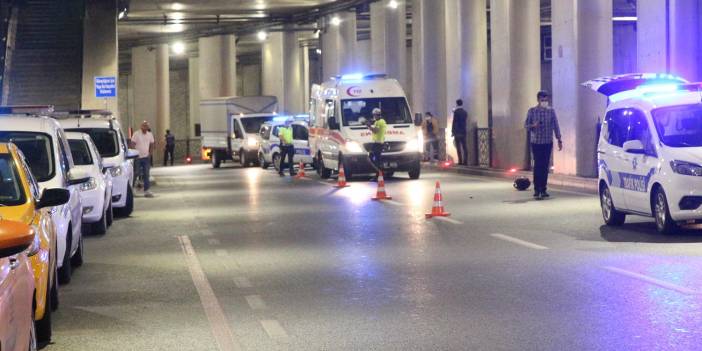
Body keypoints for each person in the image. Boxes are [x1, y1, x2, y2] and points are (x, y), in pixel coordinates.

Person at [525, 90, 563, 200]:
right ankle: (537, 189)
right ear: (538, 100)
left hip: (547, 142)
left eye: (546, 100)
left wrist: (559, 139)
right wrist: (533, 125)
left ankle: (543, 189)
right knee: (538, 166)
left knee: (545, 166)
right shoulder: (532, 111)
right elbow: (526, 125)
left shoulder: (551, 111)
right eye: (542, 100)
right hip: (536, 142)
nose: (544, 102)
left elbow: (556, 125)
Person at [131, 121, 155, 198]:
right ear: (141, 126)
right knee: (136, 173)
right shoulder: (136, 134)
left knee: (146, 174)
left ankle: (146, 191)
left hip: (146, 158)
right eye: (143, 126)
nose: (145, 127)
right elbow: (132, 144)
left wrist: (150, 154)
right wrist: (135, 154)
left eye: (146, 126)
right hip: (137, 157)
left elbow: (152, 144)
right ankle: (132, 189)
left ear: (148, 127)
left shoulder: (150, 135)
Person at [368, 107, 387, 175]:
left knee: (373, 159)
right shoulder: (380, 121)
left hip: (378, 144)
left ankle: (379, 173)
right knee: (376, 159)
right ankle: (378, 173)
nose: (374, 116)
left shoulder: (379, 122)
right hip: (378, 143)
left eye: (375, 115)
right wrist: (370, 126)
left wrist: (369, 126)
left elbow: (376, 131)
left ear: (377, 115)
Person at [452, 99, 468, 165]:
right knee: (464, 147)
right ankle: (465, 161)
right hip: (463, 131)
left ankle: (460, 161)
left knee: (458, 147)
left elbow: (454, 122)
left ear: (456, 104)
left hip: (457, 132)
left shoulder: (456, 112)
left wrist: (453, 131)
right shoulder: (465, 112)